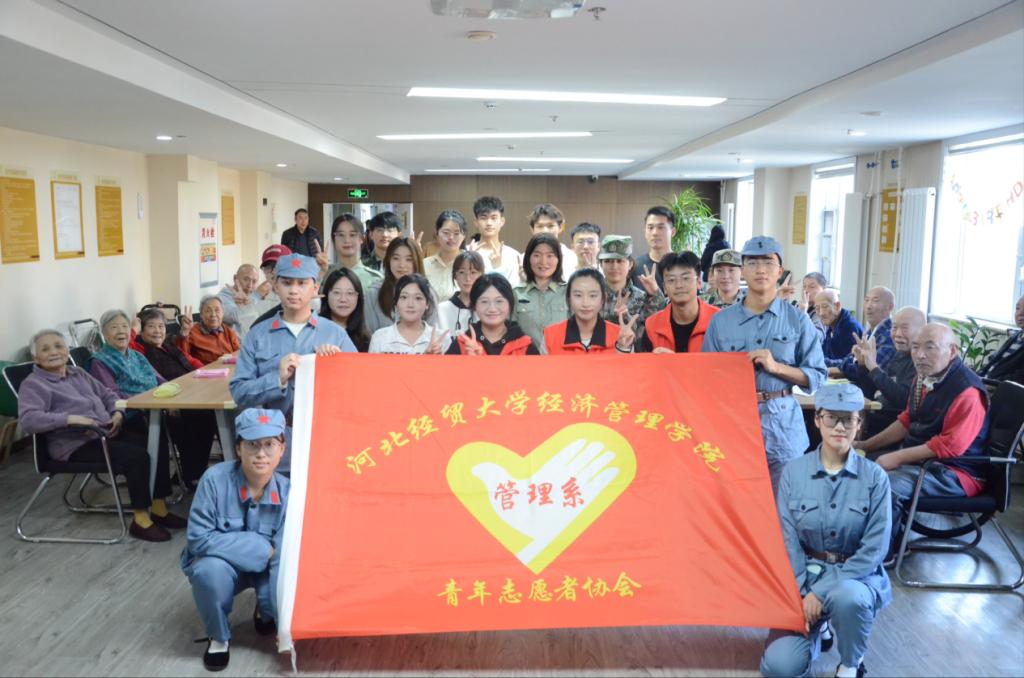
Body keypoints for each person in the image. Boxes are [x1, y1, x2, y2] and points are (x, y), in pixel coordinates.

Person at [759, 383, 891, 678]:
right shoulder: (794, 472)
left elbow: (874, 549)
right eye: (831, 417)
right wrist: (803, 592)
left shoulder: (875, 478)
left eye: (849, 419)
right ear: (817, 420)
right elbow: (787, 539)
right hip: (804, 575)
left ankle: (851, 664)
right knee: (779, 668)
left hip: (854, 577)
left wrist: (819, 593)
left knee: (849, 598)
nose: (839, 427)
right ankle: (820, 630)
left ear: (859, 424)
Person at [18, 329, 184, 542]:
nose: (54, 352)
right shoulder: (34, 384)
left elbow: (108, 394)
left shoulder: (77, 373)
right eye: (45, 349)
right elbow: (29, 420)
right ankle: (141, 520)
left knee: (155, 443)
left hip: (104, 432)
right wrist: (70, 419)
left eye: (59, 346)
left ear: (67, 350)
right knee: (137, 457)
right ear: (35, 357)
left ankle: (159, 509)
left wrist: (117, 413)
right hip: (75, 445)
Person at [702, 236, 827, 493]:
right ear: (743, 270)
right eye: (753, 263)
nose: (761, 270)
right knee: (738, 503)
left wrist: (777, 367)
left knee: (783, 506)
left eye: (768, 263)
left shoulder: (797, 321)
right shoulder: (721, 322)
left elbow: (817, 377)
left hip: (783, 430)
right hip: (734, 427)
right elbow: (706, 379)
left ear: (780, 271)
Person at [855, 323, 989, 553]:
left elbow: (950, 446)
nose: (920, 355)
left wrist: (897, 457)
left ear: (952, 351)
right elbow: (907, 420)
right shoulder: (925, 377)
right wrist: (865, 445)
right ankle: (853, 539)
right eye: (915, 347)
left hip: (955, 472)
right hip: (923, 462)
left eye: (930, 347)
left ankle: (886, 552)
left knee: (885, 484)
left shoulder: (968, 392)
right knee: (855, 466)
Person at [181, 408, 290, 672]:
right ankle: (218, 637)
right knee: (208, 571)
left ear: (282, 449)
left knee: (280, 584)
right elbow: (198, 539)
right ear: (238, 448)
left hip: (266, 568)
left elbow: (282, 561)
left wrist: (282, 622)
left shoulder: (290, 492)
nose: (261, 453)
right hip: (224, 565)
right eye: (252, 444)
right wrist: (261, 547)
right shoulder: (214, 480)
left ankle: (263, 610)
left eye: (269, 444)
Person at [230, 253, 356, 473]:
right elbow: (239, 392)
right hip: (271, 445)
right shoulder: (258, 335)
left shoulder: (335, 334)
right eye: (287, 283)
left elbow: (359, 389)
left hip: (325, 442)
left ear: (315, 288)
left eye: (302, 283)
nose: (294, 290)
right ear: (275, 286)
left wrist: (337, 367)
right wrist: (276, 379)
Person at [131, 307, 218, 484]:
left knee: (210, 415)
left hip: (190, 394)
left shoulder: (168, 345)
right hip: (167, 404)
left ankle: (194, 471)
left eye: (161, 326)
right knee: (195, 419)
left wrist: (208, 374)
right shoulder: (139, 350)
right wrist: (133, 330)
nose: (158, 331)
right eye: (151, 327)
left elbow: (190, 361)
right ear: (142, 331)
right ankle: (192, 474)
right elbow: (127, 347)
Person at [852, 306, 927, 439]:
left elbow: (903, 400)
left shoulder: (922, 361)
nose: (897, 334)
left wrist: (874, 368)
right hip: (875, 414)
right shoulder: (898, 354)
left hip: (892, 425)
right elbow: (870, 392)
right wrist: (863, 366)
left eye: (904, 328)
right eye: (894, 327)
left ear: (922, 331)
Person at [640, 251, 719, 353]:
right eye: (671, 280)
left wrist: (676, 361)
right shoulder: (652, 325)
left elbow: (728, 361)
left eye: (685, 278)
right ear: (664, 288)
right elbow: (644, 361)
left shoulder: (718, 321)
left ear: (699, 282)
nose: (679, 285)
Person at [598, 235, 666, 350]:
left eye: (620, 261)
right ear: (601, 264)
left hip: (633, 357)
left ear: (630, 264)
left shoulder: (642, 297)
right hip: (598, 357)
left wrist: (656, 294)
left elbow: (649, 333)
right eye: (608, 261)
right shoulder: (593, 297)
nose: (614, 266)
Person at [445, 273, 540, 355]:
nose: (492, 309)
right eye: (484, 302)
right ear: (474, 305)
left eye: (499, 301)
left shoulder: (525, 346)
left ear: (510, 304)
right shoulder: (462, 344)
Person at [545, 269, 635, 354]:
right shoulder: (550, 335)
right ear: (569, 299)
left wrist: (623, 348)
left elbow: (628, 365)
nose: (585, 303)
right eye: (578, 295)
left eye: (593, 296)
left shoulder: (619, 335)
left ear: (603, 299)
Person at [364, 237, 437, 333]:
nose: (402, 265)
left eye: (409, 259)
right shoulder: (374, 293)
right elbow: (370, 333)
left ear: (417, 262)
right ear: (388, 260)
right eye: (396, 258)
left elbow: (431, 332)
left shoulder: (428, 293)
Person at [369, 274, 451, 354]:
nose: (410, 304)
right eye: (404, 297)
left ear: (427, 304)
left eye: (418, 298)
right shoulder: (380, 338)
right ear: (396, 303)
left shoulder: (441, 339)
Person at [513, 234, 568, 352]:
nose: (543, 262)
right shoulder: (516, 293)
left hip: (562, 359)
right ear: (528, 258)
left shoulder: (569, 292)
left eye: (550, 256)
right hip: (526, 359)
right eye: (537, 255)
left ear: (558, 259)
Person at [833, 287, 895, 380]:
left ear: (890, 307)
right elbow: (850, 359)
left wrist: (837, 369)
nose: (868, 306)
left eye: (875, 301)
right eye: (866, 300)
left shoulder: (890, 335)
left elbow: (871, 369)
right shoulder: (869, 333)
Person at [323, 213, 384, 292]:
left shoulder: (375, 279)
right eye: (341, 235)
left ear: (362, 238)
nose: (347, 240)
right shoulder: (324, 275)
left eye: (352, 235)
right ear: (333, 239)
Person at [468, 196, 521, 282]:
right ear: (476, 222)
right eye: (483, 218)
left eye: (493, 218)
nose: (489, 223)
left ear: (502, 221)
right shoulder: (466, 252)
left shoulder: (513, 256)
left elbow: (513, 288)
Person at [176, 295, 242, 365]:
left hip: (230, 369)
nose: (213, 314)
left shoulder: (228, 331)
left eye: (217, 310)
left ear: (223, 313)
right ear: (201, 315)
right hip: (207, 370)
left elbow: (239, 354)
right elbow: (181, 356)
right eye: (208, 311)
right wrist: (185, 332)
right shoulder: (192, 332)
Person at [319, 268, 371, 353]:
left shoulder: (366, 340)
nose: (343, 299)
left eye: (350, 293)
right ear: (326, 295)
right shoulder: (314, 330)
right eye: (337, 292)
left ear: (358, 298)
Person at [978, 294, 1024, 385]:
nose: (1020, 313)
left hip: (998, 389)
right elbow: (992, 363)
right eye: (1017, 308)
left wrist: (990, 383)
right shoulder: (1016, 336)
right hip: (985, 382)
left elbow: (1018, 379)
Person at [423, 209, 467, 300]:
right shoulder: (424, 265)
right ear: (437, 233)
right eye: (446, 233)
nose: (451, 237)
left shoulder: (471, 265)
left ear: (464, 236)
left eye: (456, 233)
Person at [437, 250, 484, 335]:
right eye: (462, 272)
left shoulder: (486, 309)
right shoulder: (441, 310)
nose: (467, 278)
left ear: (481, 275)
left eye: (473, 272)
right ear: (455, 275)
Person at [815, 289, 864, 369]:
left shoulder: (850, 327)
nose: (821, 313)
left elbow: (849, 364)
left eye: (825, 307)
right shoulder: (832, 325)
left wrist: (817, 361)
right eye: (817, 308)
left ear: (837, 306)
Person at [630, 206, 675, 291]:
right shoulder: (635, 266)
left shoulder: (682, 265)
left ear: (673, 232)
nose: (655, 233)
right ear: (645, 232)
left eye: (660, 227)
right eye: (650, 228)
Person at [528, 203, 578, 277]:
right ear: (532, 229)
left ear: (560, 227)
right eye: (540, 226)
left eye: (550, 226)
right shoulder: (523, 258)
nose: (545, 231)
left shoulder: (572, 257)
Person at [217, 264, 261, 338]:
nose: (250, 285)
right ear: (235, 278)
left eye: (254, 281)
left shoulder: (253, 298)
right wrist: (245, 304)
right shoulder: (220, 299)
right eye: (246, 279)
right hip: (234, 344)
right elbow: (236, 317)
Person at [255, 244, 290, 316]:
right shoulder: (259, 302)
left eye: (278, 266)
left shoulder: (304, 298)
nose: (273, 272)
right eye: (268, 267)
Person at [801, 272, 828, 339]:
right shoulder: (801, 306)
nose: (806, 290)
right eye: (804, 286)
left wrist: (803, 313)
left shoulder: (824, 311)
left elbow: (817, 338)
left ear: (824, 290)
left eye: (812, 287)